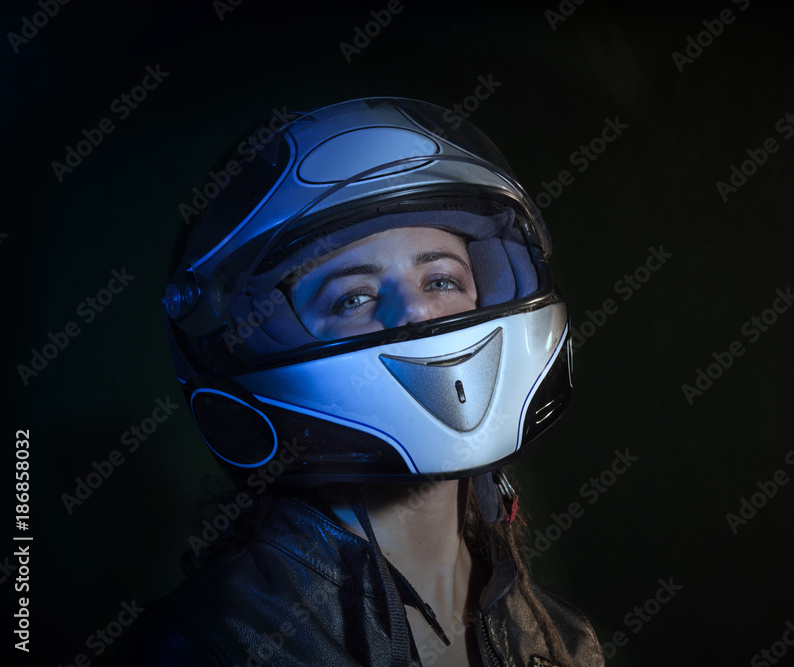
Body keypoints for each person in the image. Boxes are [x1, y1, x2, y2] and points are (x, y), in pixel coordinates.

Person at [116, 97, 604, 666]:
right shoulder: (209, 647)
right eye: (355, 296)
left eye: (442, 279)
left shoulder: (560, 640)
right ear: (271, 337)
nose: (418, 313)